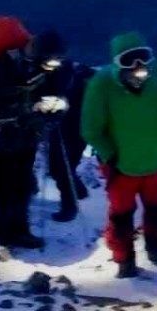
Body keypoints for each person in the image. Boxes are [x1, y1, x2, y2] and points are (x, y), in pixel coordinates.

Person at [81, 32, 157, 278]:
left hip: (155, 160)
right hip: (120, 165)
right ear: (118, 63)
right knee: (121, 215)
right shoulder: (102, 84)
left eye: (143, 58)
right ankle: (124, 259)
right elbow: (90, 128)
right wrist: (110, 156)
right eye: (129, 60)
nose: (138, 66)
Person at [0, 29, 70, 249]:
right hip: (0, 137)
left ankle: (19, 230)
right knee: (3, 186)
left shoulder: (45, 68)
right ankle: (0, 233)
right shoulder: (5, 64)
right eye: (49, 60)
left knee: (22, 184)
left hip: (27, 135)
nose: (52, 65)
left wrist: (55, 108)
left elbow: (54, 92)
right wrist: (33, 107)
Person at [48, 61, 95, 222]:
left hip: (69, 128)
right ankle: (78, 192)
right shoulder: (77, 75)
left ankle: (69, 206)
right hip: (74, 127)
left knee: (61, 168)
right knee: (62, 167)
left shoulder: (65, 78)